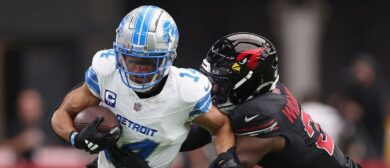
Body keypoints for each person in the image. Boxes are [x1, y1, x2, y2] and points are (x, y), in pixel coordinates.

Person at [51, 5, 238, 168]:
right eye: (132, 61)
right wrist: (76, 138)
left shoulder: (185, 91)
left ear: (169, 58)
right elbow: (61, 115)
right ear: (119, 54)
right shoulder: (106, 70)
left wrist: (226, 158)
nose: (138, 70)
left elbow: (220, 125)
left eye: (148, 62)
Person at [181, 32, 361, 168]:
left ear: (247, 81)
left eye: (222, 83)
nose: (214, 89)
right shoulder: (259, 95)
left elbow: (230, 163)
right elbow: (195, 135)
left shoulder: (262, 112)